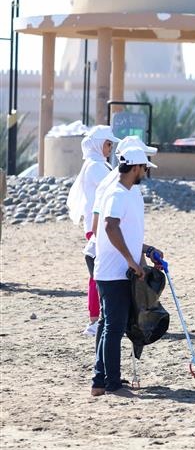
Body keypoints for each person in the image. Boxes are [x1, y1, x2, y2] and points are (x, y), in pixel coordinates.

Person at [91, 148, 162, 396]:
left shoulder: (131, 193)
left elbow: (127, 233)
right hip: (113, 272)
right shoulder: (117, 194)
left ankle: (100, 381)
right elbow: (110, 227)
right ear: (135, 168)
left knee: (109, 325)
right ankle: (111, 383)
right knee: (114, 327)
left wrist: (146, 251)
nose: (145, 172)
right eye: (144, 168)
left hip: (121, 270)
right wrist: (131, 261)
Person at [65, 125, 121, 335]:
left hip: (98, 225)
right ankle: (95, 318)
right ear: (98, 144)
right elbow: (112, 188)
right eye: (108, 144)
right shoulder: (96, 166)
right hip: (97, 227)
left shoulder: (98, 164)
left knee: (100, 272)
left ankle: (98, 317)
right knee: (98, 273)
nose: (110, 148)